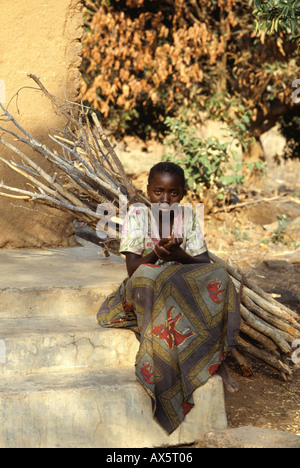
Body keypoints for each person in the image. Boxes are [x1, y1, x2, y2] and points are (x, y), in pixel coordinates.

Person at [97, 161, 240, 435]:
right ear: (148, 190)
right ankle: (159, 359)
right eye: (158, 191)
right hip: (144, 279)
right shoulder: (138, 214)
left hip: (176, 274)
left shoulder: (187, 215)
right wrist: (158, 253)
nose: (165, 200)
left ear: (183, 193)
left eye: (173, 193)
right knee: (152, 278)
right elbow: (133, 268)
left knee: (220, 276)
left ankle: (213, 357)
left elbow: (201, 261)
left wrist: (177, 255)